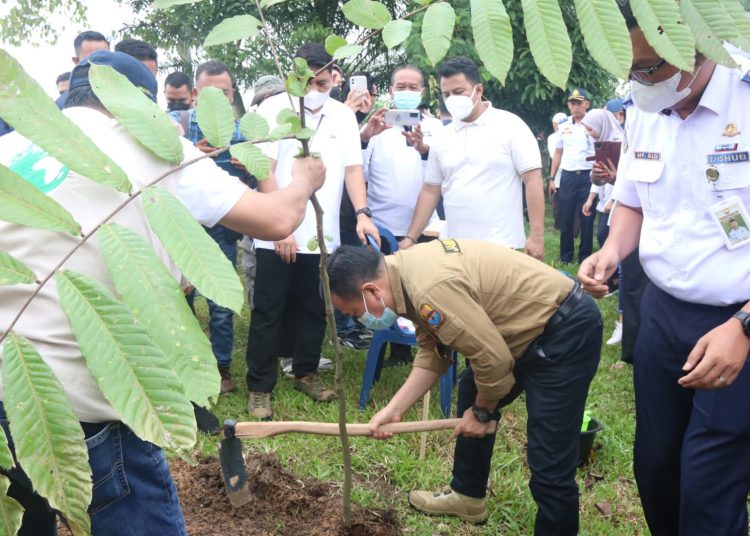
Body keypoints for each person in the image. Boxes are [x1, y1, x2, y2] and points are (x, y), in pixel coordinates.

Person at [0, 50, 325, 536]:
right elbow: (277, 218)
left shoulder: (12, 149)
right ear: (137, 107)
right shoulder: (154, 150)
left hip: (9, 389)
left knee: (25, 520)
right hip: (91, 402)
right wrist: (304, 181)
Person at [579, 2, 750, 534]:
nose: (639, 83)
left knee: (708, 483)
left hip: (736, 322)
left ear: (695, 45)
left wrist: (744, 326)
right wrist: (610, 252)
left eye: (650, 68)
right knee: (655, 467)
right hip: (661, 313)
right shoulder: (646, 107)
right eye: (627, 70)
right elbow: (632, 200)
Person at [327, 240, 602, 531]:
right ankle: (468, 495)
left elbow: (493, 361)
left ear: (371, 290)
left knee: (549, 459)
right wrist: (394, 410)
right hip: (524, 332)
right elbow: (433, 353)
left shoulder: (428, 288)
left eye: (356, 313)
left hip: (564, 331)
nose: (361, 320)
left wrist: (482, 412)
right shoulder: (404, 276)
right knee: (471, 387)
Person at [245, 43, 379, 420]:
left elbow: (353, 169)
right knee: (269, 310)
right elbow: (264, 170)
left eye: (324, 82)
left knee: (315, 307)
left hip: (323, 234)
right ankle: (259, 387)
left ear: (334, 77)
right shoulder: (274, 109)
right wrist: (278, 225)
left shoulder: (341, 116)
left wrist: (363, 213)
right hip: (277, 230)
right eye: (310, 82)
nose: (317, 90)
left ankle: (305, 371)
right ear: (295, 75)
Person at [400, 57, 545, 262]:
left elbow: (533, 180)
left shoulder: (510, 126)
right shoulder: (443, 136)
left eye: (458, 92)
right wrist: (411, 238)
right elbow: (431, 190)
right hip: (454, 247)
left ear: (478, 90)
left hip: (502, 246)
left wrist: (536, 237)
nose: (451, 99)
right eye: (446, 94)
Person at [169, 60, 253, 395]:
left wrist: (246, 168)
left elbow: (253, 183)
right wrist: (188, 155)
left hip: (221, 226)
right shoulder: (176, 124)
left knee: (220, 300)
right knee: (179, 298)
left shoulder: (242, 132)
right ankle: (185, 366)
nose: (219, 99)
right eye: (210, 93)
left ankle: (221, 367)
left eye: (225, 92)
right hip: (180, 226)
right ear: (194, 94)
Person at [356, 64, 443, 366]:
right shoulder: (377, 127)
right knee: (385, 289)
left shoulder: (436, 128)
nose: (407, 92)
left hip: (424, 228)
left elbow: (439, 177)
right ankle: (393, 349)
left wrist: (423, 149)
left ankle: (430, 346)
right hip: (383, 227)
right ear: (391, 91)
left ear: (423, 91)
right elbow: (358, 172)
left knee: (424, 288)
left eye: (413, 87)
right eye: (401, 86)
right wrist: (366, 135)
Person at [549, 88, 595, 264]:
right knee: (566, 217)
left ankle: (585, 257)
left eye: (579, 103)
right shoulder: (563, 126)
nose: (575, 107)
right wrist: (552, 178)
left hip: (588, 177)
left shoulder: (594, 125)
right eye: (572, 103)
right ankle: (565, 256)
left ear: (586, 104)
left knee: (587, 218)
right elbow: (558, 153)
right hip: (568, 176)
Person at [56, 30, 110, 109]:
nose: (100, 65)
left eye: (105, 58)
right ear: (76, 61)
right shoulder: (63, 107)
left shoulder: (126, 92)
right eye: (92, 60)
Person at [548, 111, 568, 229]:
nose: (555, 126)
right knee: (557, 200)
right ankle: (558, 224)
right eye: (554, 124)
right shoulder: (552, 138)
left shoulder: (570, 133)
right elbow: (554, 154)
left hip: (570, 173)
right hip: (558, 173)